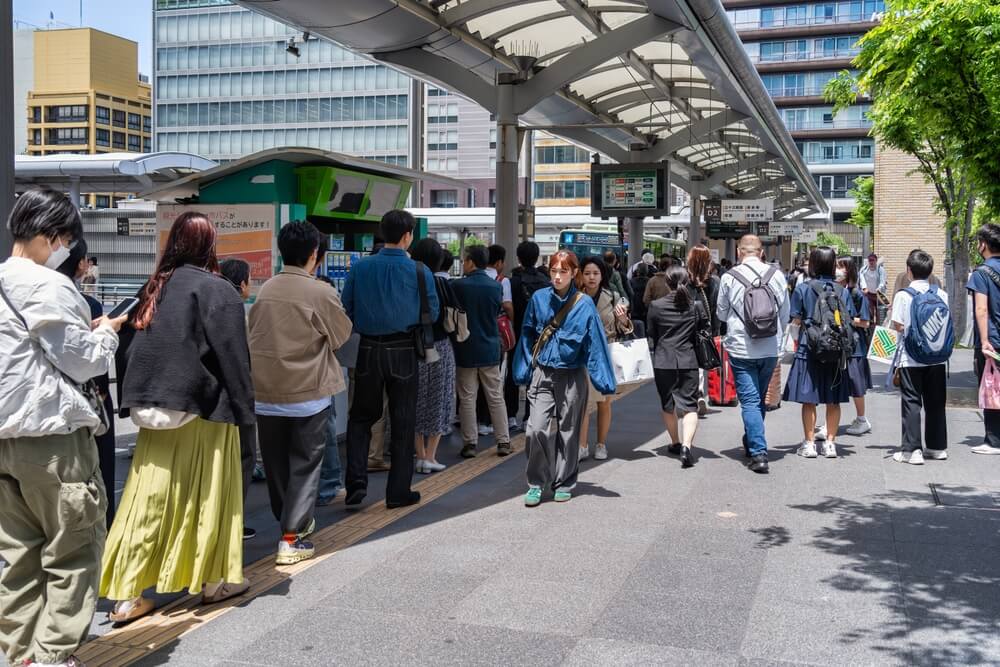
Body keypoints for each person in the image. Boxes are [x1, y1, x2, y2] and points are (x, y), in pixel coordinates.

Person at [103, 211, 254, 623]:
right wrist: (246, 413)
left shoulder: (153, 288)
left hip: (155, 414)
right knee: (210, 499)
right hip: (207, 415)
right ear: (210, 246)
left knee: (147, 500)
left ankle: (127, 596)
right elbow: (234, 360)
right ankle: (213, 582)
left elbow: (128, 345)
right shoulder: (218, 290)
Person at [0, 188, 124, 667]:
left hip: (6, 440)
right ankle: (53, 655)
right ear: (50, 235)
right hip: (53, 440)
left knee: (18, 556)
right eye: (66, 241)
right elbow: (82, 361)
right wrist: (107, 334)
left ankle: (21, 655)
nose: (66, 250)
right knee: (73, 548)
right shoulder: (50, 286)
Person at [249, 222, 352, 563]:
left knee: (277, 466)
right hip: (308, 393)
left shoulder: (267, 289)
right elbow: (341, 336)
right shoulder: (320, 292)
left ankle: (286, 526)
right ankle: (292, 537)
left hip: (266, 393)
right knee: (305, 466)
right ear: (314, 254)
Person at [343, 210, 439, 509]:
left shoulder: (360, 268)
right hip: (404, 350)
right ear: (408, 236)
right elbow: (433, 313)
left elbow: (347, 306)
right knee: (403, 420)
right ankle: (398, 493)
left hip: (368, 349)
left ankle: (355, 484)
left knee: (361, 417)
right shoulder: (420, 271)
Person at [513, 251, 616, 506]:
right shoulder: (538, 298)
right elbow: (526, 334)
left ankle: (564, 481)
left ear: (573, 273)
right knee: (535, 428)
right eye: (553, 271)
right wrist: (523, 368)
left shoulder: (584, 304)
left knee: (569, 431)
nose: (557, 277)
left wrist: (603, 379)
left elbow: (595, 342)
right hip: (543, 372)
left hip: (572, 373)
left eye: (563, 271)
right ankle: (536, 482)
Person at [55, 237, 118, 529]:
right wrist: (106, 331)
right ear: (81, 264)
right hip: (89, 402)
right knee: (99, 471)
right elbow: (95, 365)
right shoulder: (87, 304)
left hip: (52, 410)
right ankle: (103, 526)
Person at [717, 234, 789, 474]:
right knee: (758, 398)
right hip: (769, 348)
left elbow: (721, 313)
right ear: (761, 252)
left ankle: (758, 453)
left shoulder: (729, 277)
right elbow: (784, 314)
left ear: (739, 252)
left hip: (741, 347)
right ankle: (752, 440)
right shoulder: (776, 275)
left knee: (749, 401)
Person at [783, 246, 856, 459]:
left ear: (813, 264)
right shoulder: (842, 291)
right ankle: (830, 444)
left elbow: (796, 319)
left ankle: (809, 444)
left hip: (809, 347)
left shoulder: (803, 288)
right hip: (836, 349)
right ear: (833, 265)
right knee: (833, 399)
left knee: (809, 399)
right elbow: (849, 319)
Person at [219, 257, 264, 538]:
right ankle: (233, 520)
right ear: (243, 283)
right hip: (238, 397)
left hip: (214, 400)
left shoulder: (212, 303)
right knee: (244, 456)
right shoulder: (237, 308)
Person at [452, 246, 511, 458]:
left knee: (467, 397)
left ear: (470, 262)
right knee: (495, 396)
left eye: (464, 260)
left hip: (465, 347)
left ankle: (470, 443)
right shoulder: (495, 287)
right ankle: (503, 440)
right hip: (490, 347)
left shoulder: (458, 286)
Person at [648, 266, 710, 468]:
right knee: (690, 406)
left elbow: (652, 335)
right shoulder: (695, 306)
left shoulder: (656, 306)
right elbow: (703, 331)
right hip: (688, 360)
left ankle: (675, 442)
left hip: (663, 361)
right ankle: (686, 446)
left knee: (668, 405)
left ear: (667, 283)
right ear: (687, 281)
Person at [891, 250, 949, 464]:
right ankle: (937, 447)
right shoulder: (941, 294)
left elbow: (898, 325)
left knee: (912, 402)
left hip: (911, 357)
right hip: (937, 356)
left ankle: (912, 450)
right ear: (930, 271)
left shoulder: (903, 295)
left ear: (909, 271)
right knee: (936, 402)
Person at [578, 256, 633, 461]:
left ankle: (601, 444)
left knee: (604, 402)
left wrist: (623, 318)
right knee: (582, 402)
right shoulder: (574, 297)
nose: (591, 277)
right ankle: (582, 446)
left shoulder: (613, 297)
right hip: (582, 354)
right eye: (587, 273)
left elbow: (624, 328)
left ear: (602, 276)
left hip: (606, 352)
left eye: (596, 273)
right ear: (581, 275)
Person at [411, 238, 459, 473]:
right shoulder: (442, 284)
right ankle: (430, 456)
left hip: (413, 346)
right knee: (440, 399)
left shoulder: (409, 281)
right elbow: (455, 317)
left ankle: (419, 455)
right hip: (440, 347)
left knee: (416, 400)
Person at [507, 241, 550, 428]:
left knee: (513, 374)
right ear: (537, 257)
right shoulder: (546, 282)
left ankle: (510, 416)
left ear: (518, 258)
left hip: (517, 332)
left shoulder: (512, 282)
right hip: (540, 335)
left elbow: (508, 308)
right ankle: (528, 417)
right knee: (536, 375)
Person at [969, 223, 1000, 455]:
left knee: (992, 387)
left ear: (984, 245)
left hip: (993, 340)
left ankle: (994, 440)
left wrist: (984, 340)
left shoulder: (982, 273)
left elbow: (981, 309)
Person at [837, 257, 873, 436]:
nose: (837, 270)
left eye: (840, 267)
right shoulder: (837, 291)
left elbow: (866, 322)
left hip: (855, 346)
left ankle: (862, 419)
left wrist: (848, 320)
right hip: (840, 344)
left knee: (856, 384)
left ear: (849, 270)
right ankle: (830, 422)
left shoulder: (857, 294)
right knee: (837, 383)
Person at [687, 245, 721, 416]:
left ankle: (689, 394)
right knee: (701, 360)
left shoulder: (684, 280)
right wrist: (716, 331)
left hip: (684, 327)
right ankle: (699, 392)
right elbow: (716, 309)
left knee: (687, 361)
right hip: (704, 328)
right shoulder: (713, 282)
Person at [859, 253, 887, 325]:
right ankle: (871, 326)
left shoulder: (880, 270)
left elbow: (883, 281)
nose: (871, 262)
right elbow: (862, 280)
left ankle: (878, 325)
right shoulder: (864, 269)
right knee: (870, 312)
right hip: (869, 294)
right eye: (870, 260)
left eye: (873, 260)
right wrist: (864, 288)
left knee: (879, 313)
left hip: (879, 295)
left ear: (876, 261)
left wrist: (879, 288)